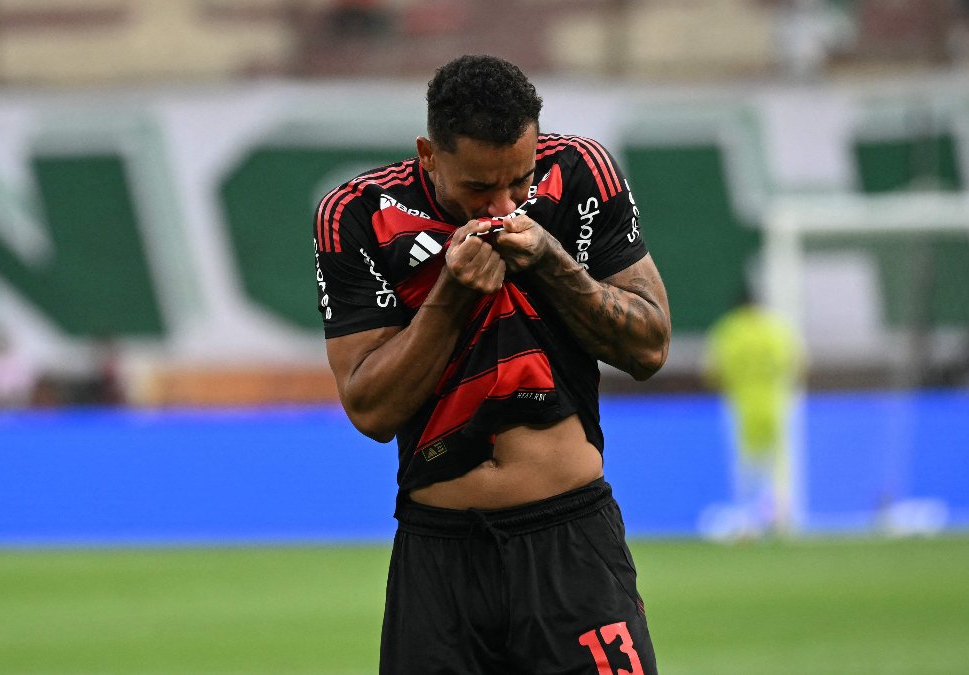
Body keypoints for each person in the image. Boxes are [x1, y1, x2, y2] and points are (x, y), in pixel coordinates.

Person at [312, 54, 670, 674]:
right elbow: (370, 409)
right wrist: (451, 295)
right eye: (479, 188)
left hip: (571, 541)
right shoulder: (358, 214)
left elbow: (649, 348)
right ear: (429, 154)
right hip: (440, 558)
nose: (503, 206)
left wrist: (552, 262)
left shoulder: (581, 173)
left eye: (519, 182)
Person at [702, 288, 802, 539]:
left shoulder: (729, 330)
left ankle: (747, 522)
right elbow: (797, 364)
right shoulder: (775, 328)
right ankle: (780, 520)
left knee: (745, 467)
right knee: (778, 464)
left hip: (741, 407)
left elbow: (711, 372)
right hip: (775, 404)